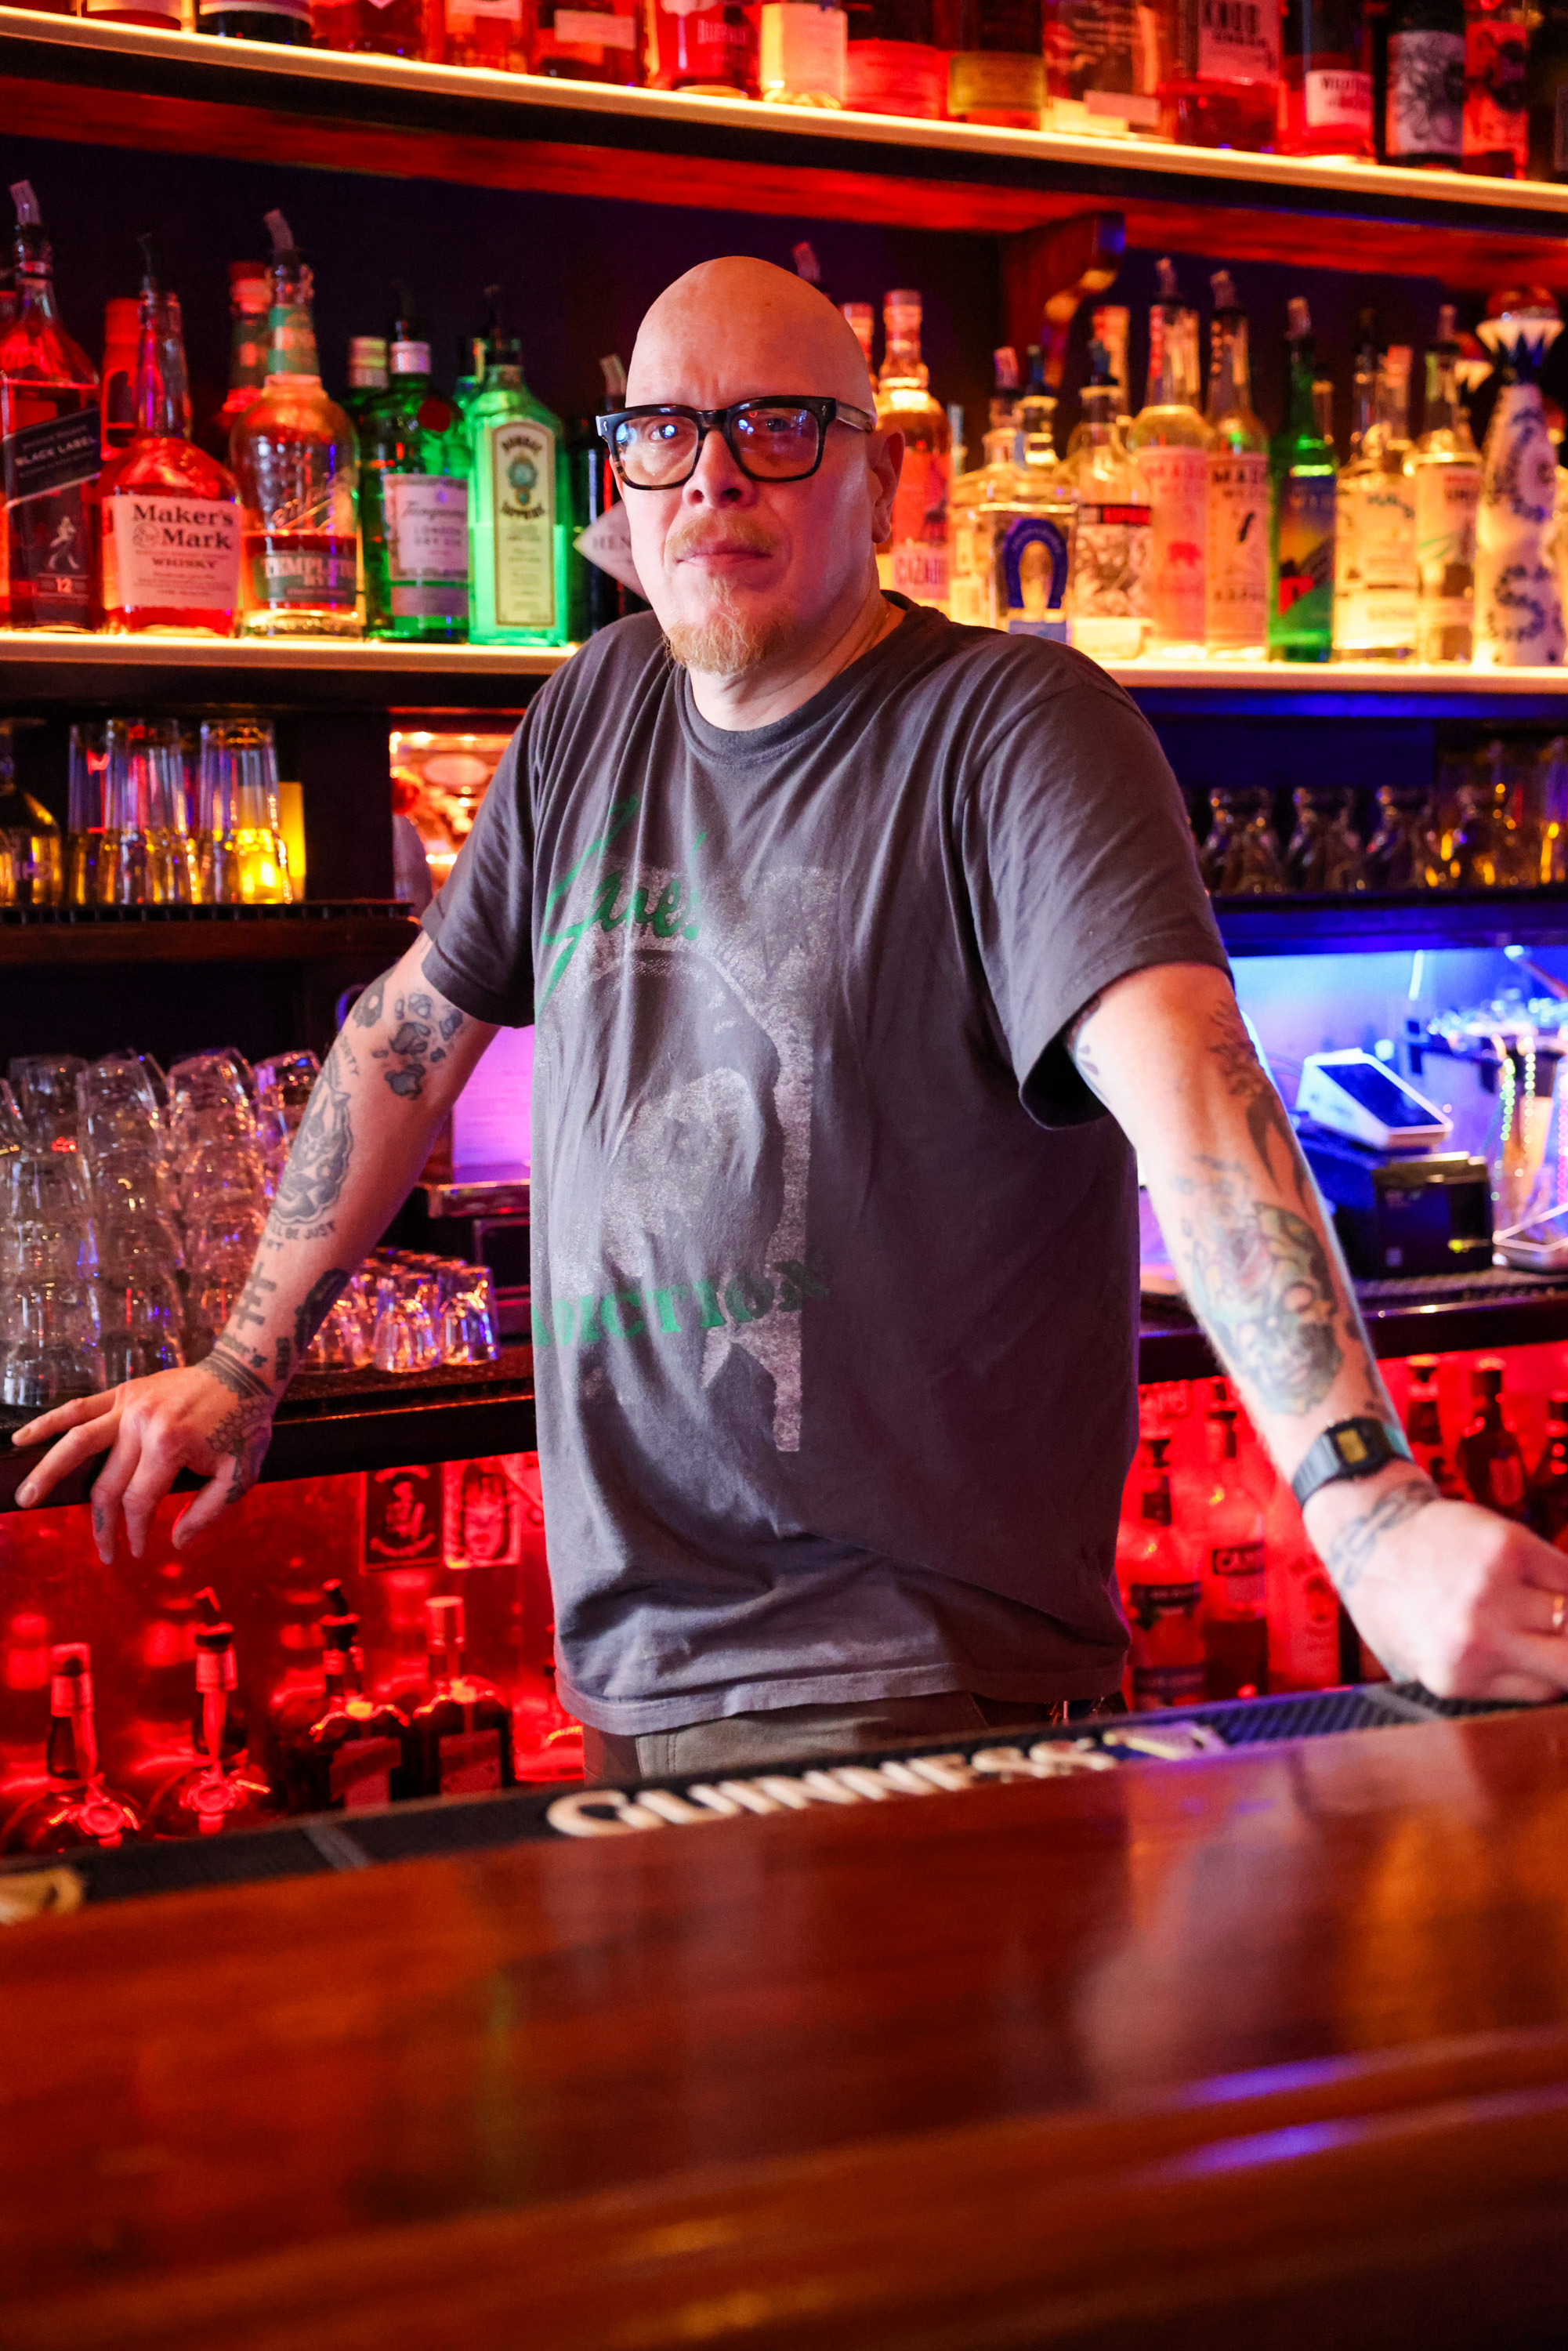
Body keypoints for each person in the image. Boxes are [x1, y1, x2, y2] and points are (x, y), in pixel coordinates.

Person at [15, 258, 1568, 1778]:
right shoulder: (589, 711)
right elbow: (407, 1037)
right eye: (661, 436)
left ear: (879, 479)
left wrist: (1361, 1504)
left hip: (910, 1677)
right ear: (615, 483)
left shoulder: (1013, 732)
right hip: (632, 1666)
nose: (708, 482)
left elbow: (1193, 1090)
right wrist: (243, 1358)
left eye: (775, 428)